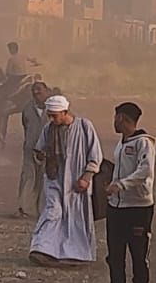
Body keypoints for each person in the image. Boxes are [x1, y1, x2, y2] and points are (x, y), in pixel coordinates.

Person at [29, 94, 102, 267]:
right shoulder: (48, 129)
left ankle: (76, 255)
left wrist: (86, 177)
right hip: (54, 178)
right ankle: (42, 249)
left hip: (77, 181)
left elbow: (95, 155)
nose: (51, 119)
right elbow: (39, 150)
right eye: (49, 115)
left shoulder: (84, 126)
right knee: (52, 211)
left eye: (54, 115)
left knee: (75, 217)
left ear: (64, 112)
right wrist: (41, 156)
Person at [102, 102, 156, 283]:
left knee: (138, 250)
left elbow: (145, 170)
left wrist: (121, 185)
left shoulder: (144, 143)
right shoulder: (122, 143)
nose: (113, 122)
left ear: (121, 118)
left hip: (138, 207)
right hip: (116, 206)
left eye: (115, 118)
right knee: (115, 251)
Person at [17, 82, 54, 218]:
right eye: (34, 91)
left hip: (47, 151)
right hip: (30, 148)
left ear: (47, 91)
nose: (36, 93)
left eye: (39, 90)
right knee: (27, 176)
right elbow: (25, 126)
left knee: (43, 179)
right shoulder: (27, 109)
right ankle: (23, 208)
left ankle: (40, 209)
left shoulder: (53, 109)